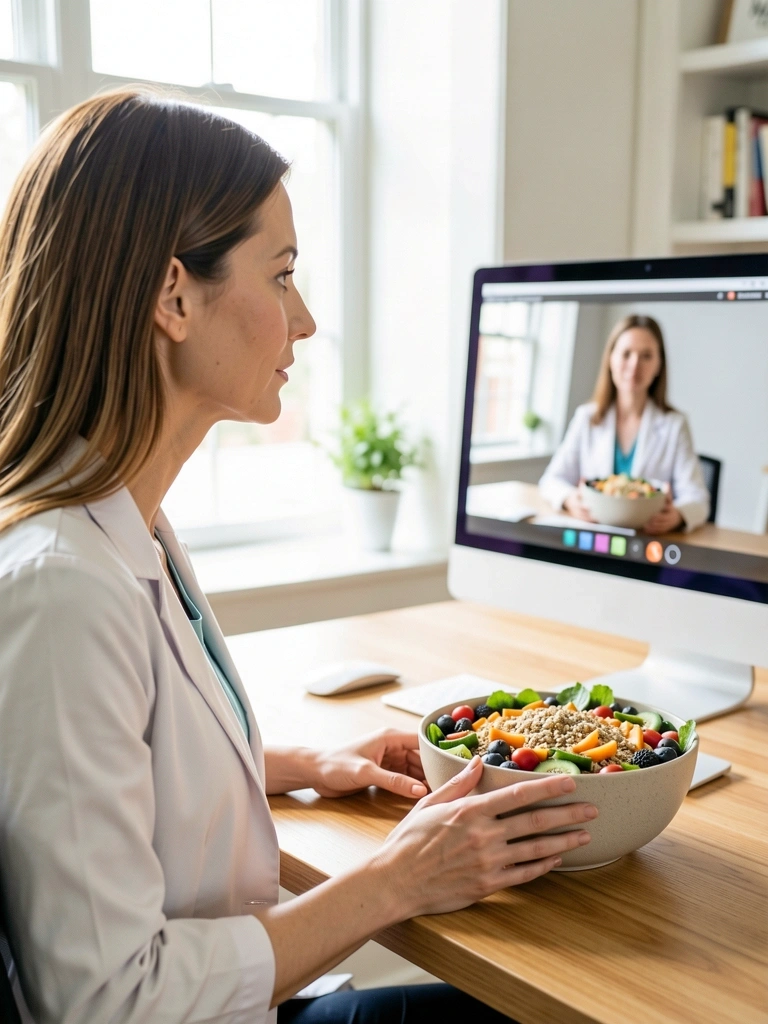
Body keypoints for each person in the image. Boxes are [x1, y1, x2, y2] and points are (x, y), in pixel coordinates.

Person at [0, 88, 598, 1024]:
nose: (306, 319)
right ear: (173, 297)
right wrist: (399, 881)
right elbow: (104, 1000)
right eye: (281, 275)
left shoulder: (128, 526)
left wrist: (298, 760)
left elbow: (109, 770)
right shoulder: (60, 589)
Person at [538, 314, 710, 533]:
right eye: (626, 354)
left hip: (647, 541)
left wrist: (677, 515)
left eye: (646, 356)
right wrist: (570, 499)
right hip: (593, 536)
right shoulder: (586, 417)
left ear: (659, 365)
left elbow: (698, 499)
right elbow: (551, 481)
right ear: (611, 359)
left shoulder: (674, 425)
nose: (634, 365)